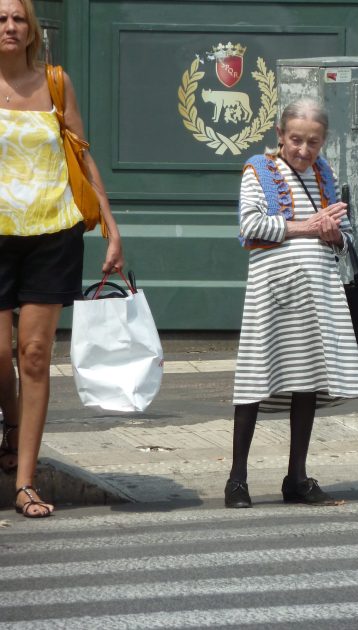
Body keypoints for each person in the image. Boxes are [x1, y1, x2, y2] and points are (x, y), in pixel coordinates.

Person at [0, 0, 123, 517]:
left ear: (32, 29)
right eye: (1, 19)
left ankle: (25, 479)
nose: (9, 27)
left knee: (32, 355)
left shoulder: (55, 83)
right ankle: (10, 424)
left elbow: (81, 154)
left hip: (53, 232)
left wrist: (112, 232)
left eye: (18, 18)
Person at [225, 98, 358, 508]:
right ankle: (237, 480)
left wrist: (334, 235)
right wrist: (307, 226)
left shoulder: (324, 173)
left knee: (306, 381)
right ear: (280, 136)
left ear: (323, 143)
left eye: (313, 143)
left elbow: (347, 236)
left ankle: (297, 477)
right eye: (296, 140)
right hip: (272, 294)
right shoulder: (259, 170)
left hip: (317, 295)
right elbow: (250, 225)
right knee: (254, 378)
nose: (304, 151)